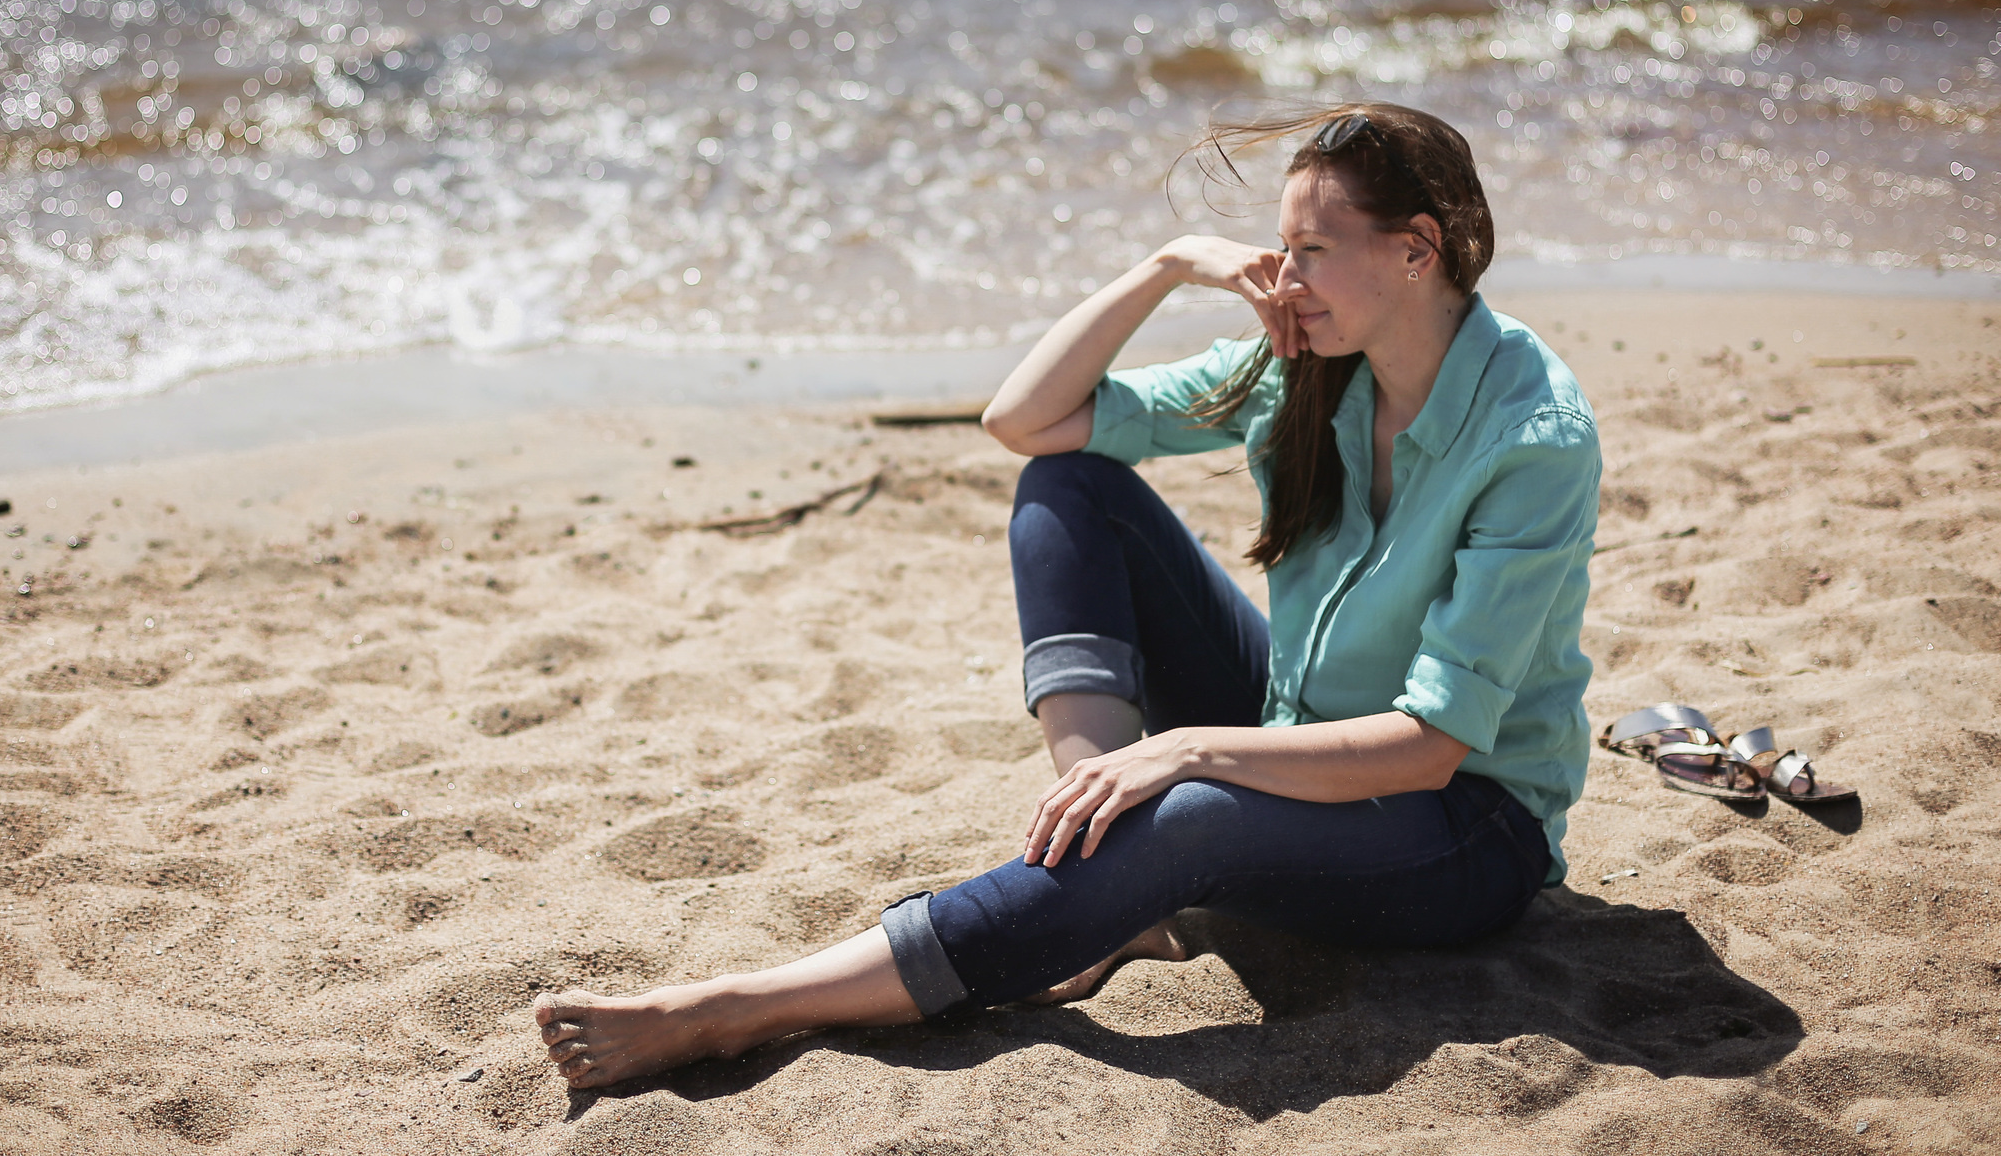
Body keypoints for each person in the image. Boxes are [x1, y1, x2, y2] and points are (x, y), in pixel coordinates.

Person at [532, 101, 1601, 1087]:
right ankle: (1096, 873)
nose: (1283, 275)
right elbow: (1026, 421)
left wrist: (1182, 749)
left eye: (1312, 250)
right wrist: (1168, 265)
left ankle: (740, 1008)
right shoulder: (1304, 363)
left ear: (1415, 249)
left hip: (1462, 832)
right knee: (1073, 486)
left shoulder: (1530, 439)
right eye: (1280, 247)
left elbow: (1426, 746)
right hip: (1299, 733)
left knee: (1189, 810)